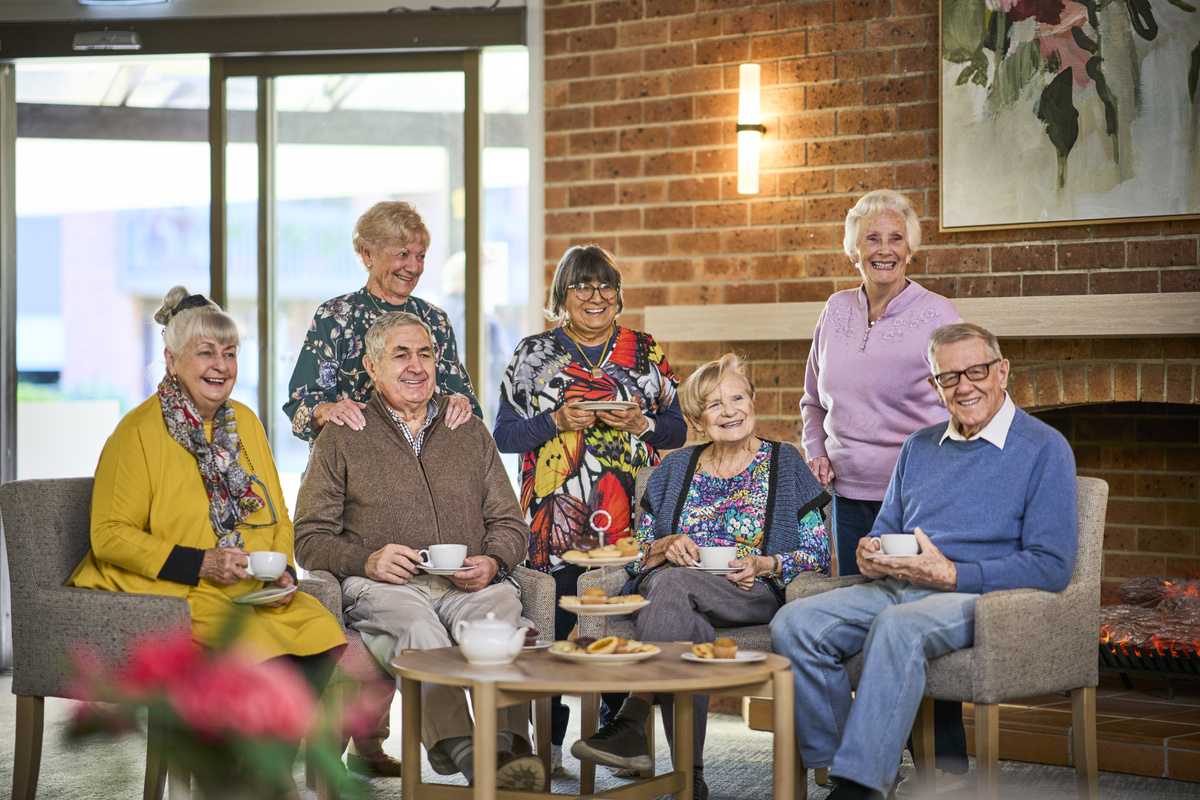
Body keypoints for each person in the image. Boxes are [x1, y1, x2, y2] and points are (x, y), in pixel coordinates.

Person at [771, 323, 1079, 800]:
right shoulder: (918, 447)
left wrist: (955, 573)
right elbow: (884, 529)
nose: (964, 386)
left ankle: (858, 788)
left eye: (975, 371)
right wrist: (870, 553)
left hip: (978, 595)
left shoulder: (1044, 448)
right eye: (948, 377)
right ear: (935, 386)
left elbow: (1052, 565)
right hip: (900, 583)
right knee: (794, 622)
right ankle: (853, 767)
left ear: (1002, 372)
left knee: (899, 626)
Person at [66, 287, 347, 784]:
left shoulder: (247, 424)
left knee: (320, 629)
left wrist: (280, 571)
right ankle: (253, 779)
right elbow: (109, 534)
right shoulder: (137, 432)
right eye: (205, 352)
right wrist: (201, 563)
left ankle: (263, 776)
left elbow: (280, 516)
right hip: (173, 586)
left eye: (230, 352)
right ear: (172, 361)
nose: (221, 365)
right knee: (259, 644)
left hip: (244, 586)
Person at [293, 311, 543, 791]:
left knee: (504, 620)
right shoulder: (342, 435)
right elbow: (308, 538)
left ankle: (510, 750)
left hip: (467, 583)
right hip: (385, 585)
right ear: (371, 366)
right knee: (418, 627)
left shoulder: (467, 431)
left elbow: (511, 523)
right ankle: (468, 753)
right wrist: (366, 561)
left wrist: (493, 561)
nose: (415, 366)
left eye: (425, 354)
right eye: (400, 354)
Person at [570, 353, 830, 800]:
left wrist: (765, 564)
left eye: (737, 398)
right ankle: (689, 782)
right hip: (673, 594)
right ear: (695, 418)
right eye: (714, 404)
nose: (729, 410)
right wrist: (662, 547)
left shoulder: (786, 463)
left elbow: (818, 551)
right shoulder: (673, 469)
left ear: (753, 402)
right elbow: (635, 559)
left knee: (672, 586)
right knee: (680, 610)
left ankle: (635, 717)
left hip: (746, 591)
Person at [283, 200, 473, 774]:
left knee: (410, 601)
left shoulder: (434, 320)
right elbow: (297, 405)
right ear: (366, 255)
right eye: (400, 254)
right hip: (350, 480)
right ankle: (339, 752)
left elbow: (457, 394)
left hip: (418, 478)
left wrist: (464, 401)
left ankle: (367, 747)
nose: (412, 265)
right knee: (380, 605)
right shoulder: (336, 316)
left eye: (420, 254)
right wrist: (328, 410)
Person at [493, 244, 687, 772]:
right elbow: (504, 435)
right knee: (554, 629)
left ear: (619, 296)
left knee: (619, 622)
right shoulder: (533, 354)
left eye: (605, 286)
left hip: (631, 518)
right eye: (582, 286)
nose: (595, 296)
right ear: (562, 297)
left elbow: (680, 428)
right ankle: (549, 751)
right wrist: (556, 422)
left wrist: (641, 424)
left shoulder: (645, 351)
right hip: (555, 519)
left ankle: (618, 738)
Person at [799, 189, 966, 790]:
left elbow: (961, 406)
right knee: (856, 628)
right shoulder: (835, 310)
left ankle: (944, 767)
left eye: (896, 238)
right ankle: (865, 760)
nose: (885, 249)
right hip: (848, 499)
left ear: (912, 249)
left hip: (916, 500)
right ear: (853, 249)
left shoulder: (936, 314)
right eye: (873, 238)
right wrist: (816, 454)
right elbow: (812, 401)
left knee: (918, 622)